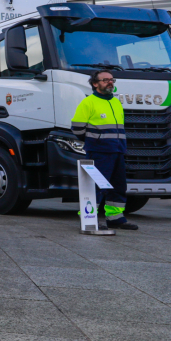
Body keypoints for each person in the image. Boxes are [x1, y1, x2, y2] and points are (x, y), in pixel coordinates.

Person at [71, 70, 137, 230]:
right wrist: (95, 141)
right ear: (95, 83)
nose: (110, 82)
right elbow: (77, 128)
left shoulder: (115, 102)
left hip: (118, 151)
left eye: (111, 79)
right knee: (96, 186)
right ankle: (88, 217)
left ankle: (115, 217)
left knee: (118, 185)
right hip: (99, 152)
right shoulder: (88, 102)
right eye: (105, 80)